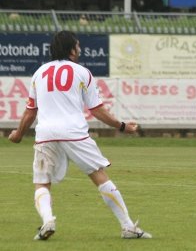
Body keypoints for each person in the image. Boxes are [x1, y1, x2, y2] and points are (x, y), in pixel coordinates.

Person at [8, 31, 152, 240]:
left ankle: (48, 220)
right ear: (71, 50)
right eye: (77, 46)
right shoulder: (82, 72)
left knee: (42, 183)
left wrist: (19, 134)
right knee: (99, 177)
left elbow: (31, 111)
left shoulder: (39, 73)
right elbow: (97, 110)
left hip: (46, 134)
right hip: (74, 133)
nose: (80, 49)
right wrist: (122, 127)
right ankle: (128, 227)